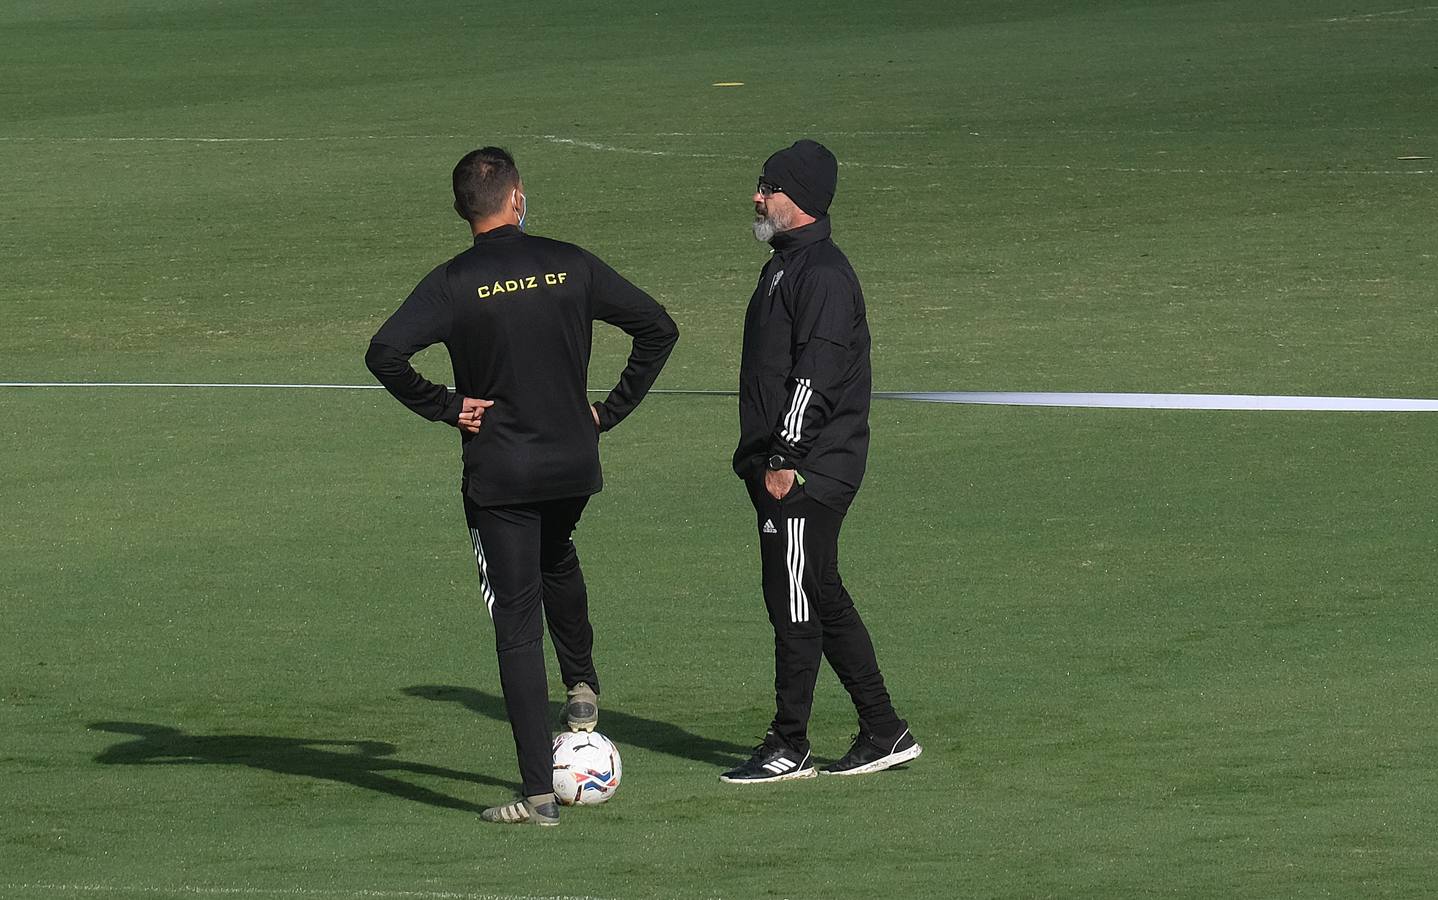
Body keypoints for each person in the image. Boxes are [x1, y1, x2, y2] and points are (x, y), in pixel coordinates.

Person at [366, 147, 678, 824]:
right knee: (557, 550)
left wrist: (447, 406)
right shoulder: (572, 262)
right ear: (518, 197)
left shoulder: (453, 283)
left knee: (514, 624)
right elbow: (659, 327)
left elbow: (384, 353)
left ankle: (540, 795)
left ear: (462, 210)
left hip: (501, 474)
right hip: (572, 464)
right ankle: (582, 681)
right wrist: (610, 410)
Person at [722, 139, 921, 784]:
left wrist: (783, 456)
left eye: (769, 187)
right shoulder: (788, 264)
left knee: (794, 598)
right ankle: (884, 730)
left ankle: (789, 742)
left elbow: (817, 375)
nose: (758, 195)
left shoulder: (824, 274)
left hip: (808, 469)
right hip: (791, 462)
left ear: (800, 200)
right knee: (820, 592)